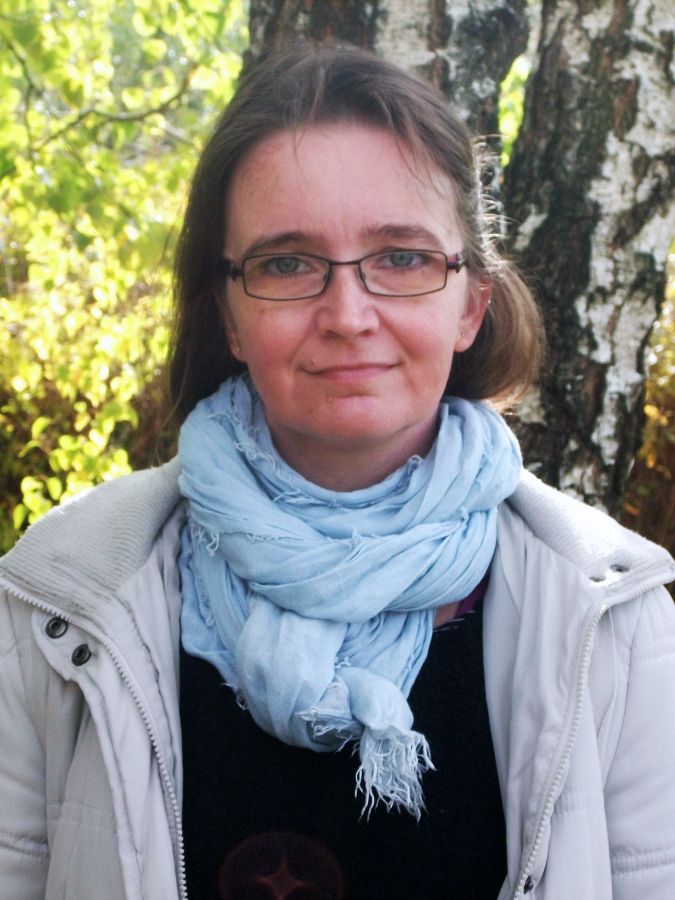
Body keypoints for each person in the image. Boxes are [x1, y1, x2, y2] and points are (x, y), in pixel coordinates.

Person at [0, 46, 674, 900]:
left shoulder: (612, 620)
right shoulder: (58, 599)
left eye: (401, 257)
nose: (348, 316)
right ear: (229, 316)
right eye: (286, 263)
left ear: (471, 305)